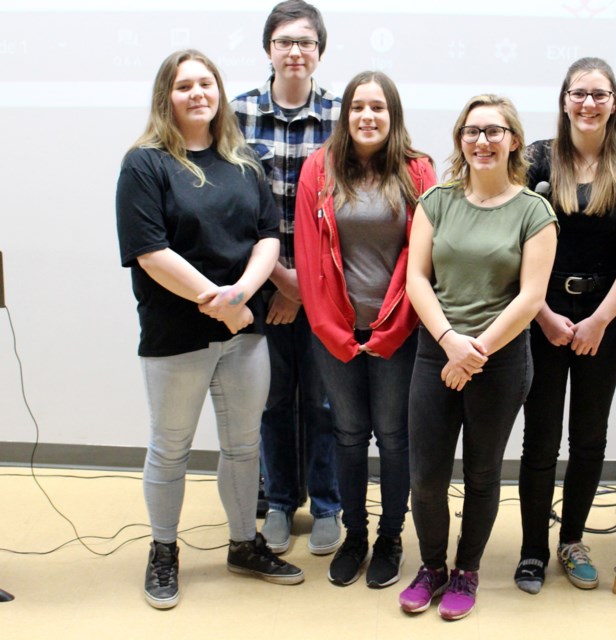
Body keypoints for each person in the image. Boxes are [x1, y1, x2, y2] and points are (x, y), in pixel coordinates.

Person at [116, 49, 304, 610]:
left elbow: (268, 235)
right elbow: (150, 252)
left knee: (245, 446)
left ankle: (243, 545)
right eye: (184, 86)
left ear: (219, 92)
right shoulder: (144, 163)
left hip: (245, 333)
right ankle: (164, 552)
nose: (198, 93)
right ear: (165, 97)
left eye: (206, 83)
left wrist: (242, 295)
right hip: (177, 334)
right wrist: (220, 304)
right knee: (170, 449)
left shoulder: (242, 161)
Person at [399, 95, 558, 620]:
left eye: (494, 131)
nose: (482, 141)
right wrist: (449, 343)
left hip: (501, 359)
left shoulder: (535, 211)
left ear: (514, 139)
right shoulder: (436, 200)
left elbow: (530, 298)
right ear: (460, 140)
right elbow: (416, 278)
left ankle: (467, 570)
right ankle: (432, 568)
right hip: (435, 352)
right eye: (471, 131)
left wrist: (475, 352)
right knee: (425, 475)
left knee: (483, 473)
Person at [515, 57, 616, 594]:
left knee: (589, 438)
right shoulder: (534, 160)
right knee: (540, 438)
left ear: (614, 102)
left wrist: (601, 320)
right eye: (578, 94)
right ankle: (533, 548)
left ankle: (571, 540)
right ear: (563, 100)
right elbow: (512, 240)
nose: (588, 104)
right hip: (541, 314)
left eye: (599, 95)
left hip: (604, 316)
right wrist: (545, 316)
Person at [294, 71, 437, 588]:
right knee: (350, 435)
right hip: (336, 331)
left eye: (378, 107)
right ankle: (355, 537)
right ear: (345, 114)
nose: (367, 116)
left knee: (394, 437)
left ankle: (390, 537)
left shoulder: (418, 172)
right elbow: (310, 256)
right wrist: (333, 329)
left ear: (392, 115)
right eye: (358, 107)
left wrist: (392, 326)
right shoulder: (320, 168)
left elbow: (420, 256)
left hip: (398, 328)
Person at [231, 0, 342, 557]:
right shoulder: (237, 114)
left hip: (327, 291)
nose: (295, 51)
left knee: (324, 404)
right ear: (269, 49)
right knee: (271, 402)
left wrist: (307, 290)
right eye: (284, 42)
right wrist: (281, 282)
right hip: (263, 283)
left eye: (306, 42)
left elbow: (353, 210)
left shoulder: (347, 115)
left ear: (319, 52)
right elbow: (232, 210)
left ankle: (326, 504)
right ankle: (278, 501)